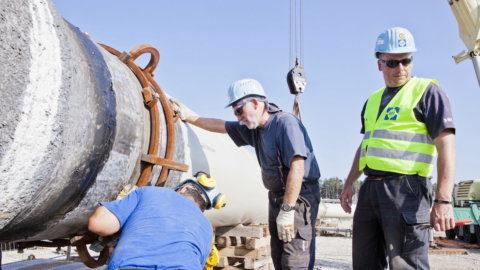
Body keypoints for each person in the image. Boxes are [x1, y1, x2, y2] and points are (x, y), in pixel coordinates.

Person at [171, 78, 321, 270]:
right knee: (279, 258)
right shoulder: (256, 130)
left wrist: (288, 209)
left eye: (239, 111)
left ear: (256, 103)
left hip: (298, 199)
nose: (238, 117)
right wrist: (189, 116)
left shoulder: (285, 123)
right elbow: (221, 125)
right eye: (235, 113)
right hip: (277, 198)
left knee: (295, 260)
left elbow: (298, 167)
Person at [339, 26, 456, 270]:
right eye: (392, 63)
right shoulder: (372, 101)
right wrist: (349, 182)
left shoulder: (428, 92)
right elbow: (366, 146)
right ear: (379, 64)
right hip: (370, 188)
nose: (400, 69)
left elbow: (446, 147)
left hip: (408, 189)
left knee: (406, 264)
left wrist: (443, 200)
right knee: (365, 262)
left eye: (406, 61)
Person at [88, 172, 226, 270]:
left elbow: (98, 225)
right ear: (203, 206)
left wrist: (118, 204)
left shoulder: (148, 192)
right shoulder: (207, 229)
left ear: (183, 188)